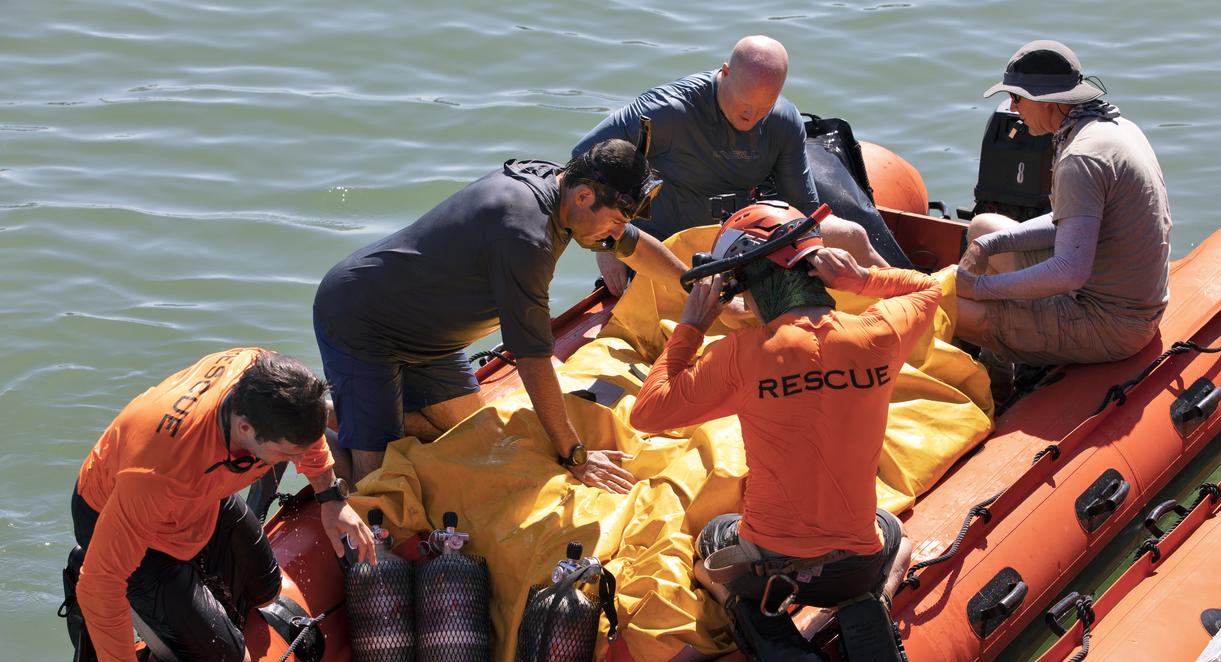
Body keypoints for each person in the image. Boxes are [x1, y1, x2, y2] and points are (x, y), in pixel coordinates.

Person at [629, 202, 945, 662]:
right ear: (813, 267)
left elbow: (648, 411)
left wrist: (691, 325)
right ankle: (872, 594)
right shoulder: (880, 332)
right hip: (853, 571)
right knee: (887, 529)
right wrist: (859, 278)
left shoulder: (742, 356)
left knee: (717, 535)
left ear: (753, 283)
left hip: (767, 574)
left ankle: (757, 610)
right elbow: (930, 288)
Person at [313, 138, 686, 487]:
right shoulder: (526, 237)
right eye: (616, 220)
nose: (616, 232)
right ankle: (314, 415)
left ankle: (357, 414)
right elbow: (534, 360)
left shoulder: (566, 186)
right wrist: (576, 456)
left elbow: (632, 245)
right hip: (363, 320)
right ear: (585, 195)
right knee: (378, 476)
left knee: (473, 435)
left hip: (431, 340)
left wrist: (696, 286)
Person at [61, 349, 375, 662]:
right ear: (244, 429)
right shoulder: (157, 472)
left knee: (267, 591)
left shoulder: (262, 372)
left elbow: (308, 438)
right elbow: (100, 583)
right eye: (286, 455)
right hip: (130, 521)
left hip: (202, 497)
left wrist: (331, 499)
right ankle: (132, 597)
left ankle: (184, 596)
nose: (297, 461)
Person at [573, 35, 887, 296]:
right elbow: (582, 162)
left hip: (739, 239)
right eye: (744, 105)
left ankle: (917, 300)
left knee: (854, 236)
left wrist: (816, 255)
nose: (751, 118)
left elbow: (803, 210)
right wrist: (607, 244)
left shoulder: (783, 121)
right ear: (725, 72)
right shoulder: (667, 112)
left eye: (763, 108)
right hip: (662, 246)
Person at [954, 39, 1171, 367]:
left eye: (1016, 97)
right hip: (1125, 299)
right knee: (984, 227)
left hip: (1108, 324)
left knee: (948, 308)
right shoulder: (1115, 128)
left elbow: (1070, 272)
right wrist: (990, 244)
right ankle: (999, 369)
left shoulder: (1080, 159)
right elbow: (1069, 220)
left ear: (1047, 102)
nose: (1012, 108)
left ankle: (998, 386)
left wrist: (981, 288)